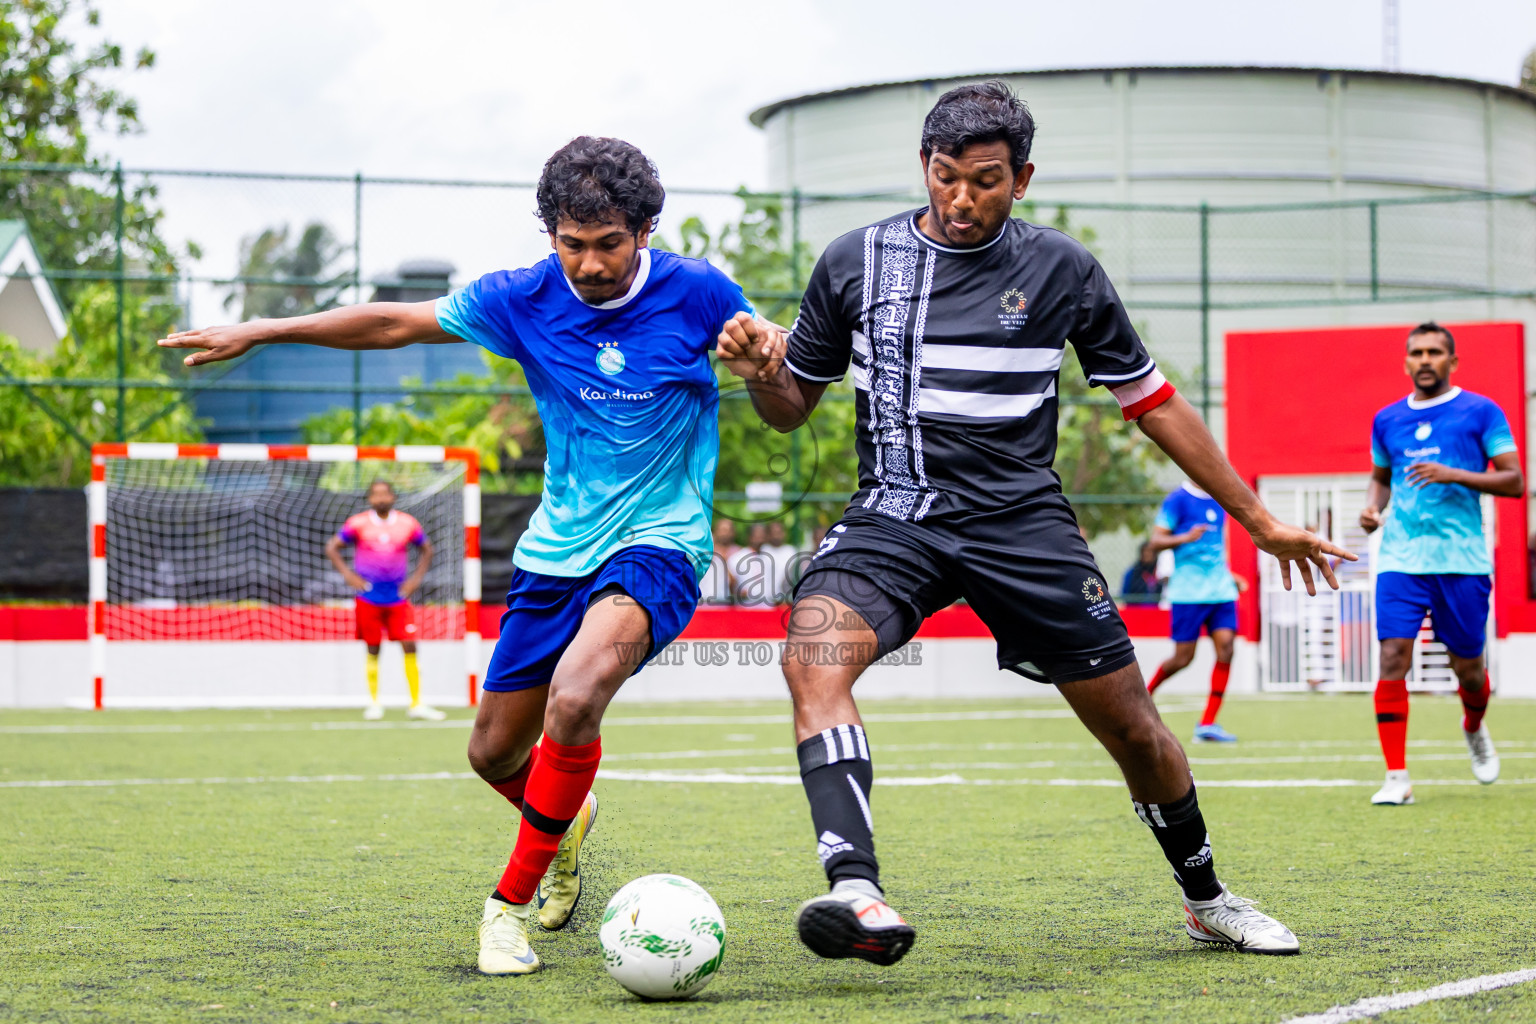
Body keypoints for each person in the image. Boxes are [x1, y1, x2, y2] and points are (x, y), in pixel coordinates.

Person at [717, 81, 1350, 962]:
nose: (962, 199)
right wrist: (757, 371)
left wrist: (1258, 519)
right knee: (812, 655)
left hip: (1022, 525)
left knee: (1133, 727)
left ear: (1021, 179)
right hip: (896, 514)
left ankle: (1207, 896)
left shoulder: (1062, 269)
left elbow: (1153, 400)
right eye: (945, 177)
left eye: (984, 180)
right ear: (925, 169)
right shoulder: (856, 261)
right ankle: (856, 890)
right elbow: (790, 409)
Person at [160, 136, 774, 976]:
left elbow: (781, 376)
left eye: (609, 244)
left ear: (645, 230)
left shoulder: (698, 291)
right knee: (491, 753)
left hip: (661, 547)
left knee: (579, 692)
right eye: (572, 243)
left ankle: (505, 911)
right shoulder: (522, 297)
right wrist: (267, 329)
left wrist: (763, 362)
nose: (589, 264)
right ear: (551, 234)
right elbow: (390, 321)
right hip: (556, 555)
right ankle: (567, 829)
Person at [1358, 322, 1523, 806]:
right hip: (1401, 559)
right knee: (1392, 657)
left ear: (1453, 361)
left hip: (1462, 561)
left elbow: (1514, 481)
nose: (1425, 360)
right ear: (1406, 362)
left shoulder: (1481, 411)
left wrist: (1452, 473)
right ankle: (1396, 777)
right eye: (1416, 353)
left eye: (1435, 352)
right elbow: (1380, 478)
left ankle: (1473, 726)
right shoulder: (1387, 419)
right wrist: (1373, 509)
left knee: (1468, 668)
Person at [325, 480, 442, 721]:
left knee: (409, 644)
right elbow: (332, 547)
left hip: (398, 597)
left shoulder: (407, 524)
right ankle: (374, 703)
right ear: (369, 499)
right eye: (375, 494)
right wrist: (349, 575)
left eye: (385, 494)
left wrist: (415, 580)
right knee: (373, 647)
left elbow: (427, 549)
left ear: (393, 497)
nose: (380, 498)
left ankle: (416, 703)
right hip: (368, 595)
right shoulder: (358, 523)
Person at [1144, 481, 1249, 743]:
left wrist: (1230, 576)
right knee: (1182, 658)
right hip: (1188, 593)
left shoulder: (1219, 498)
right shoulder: (1177, 500)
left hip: (1221, 591)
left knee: (1227, 648)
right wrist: (1184, 537)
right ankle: (1142, 698)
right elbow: (1155, 541)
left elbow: (1217, 548)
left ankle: (1208, 723)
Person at [699, 518, 741, 605]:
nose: (724, 533)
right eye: (722, 530)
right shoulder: (706, 554)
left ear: (733, 533)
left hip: (725, 603)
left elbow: (735, 585)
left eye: (727, 530)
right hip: (704, 603)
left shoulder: (740, 553)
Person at [762, 520, 801, 604]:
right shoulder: (762, 551)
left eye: (779, 532)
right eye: (773, 533)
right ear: (768, 535)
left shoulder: (791, 551)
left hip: (787, 601)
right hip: (765, 602)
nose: (776, 536)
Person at [1120, 540, 1163, 604]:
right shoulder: (1132, 572)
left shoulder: (1160, 571)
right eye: (1145, 551)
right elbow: (1125, 594)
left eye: (1150, 551)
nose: (1147, 554)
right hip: (1136, 609)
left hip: (1156, 610)